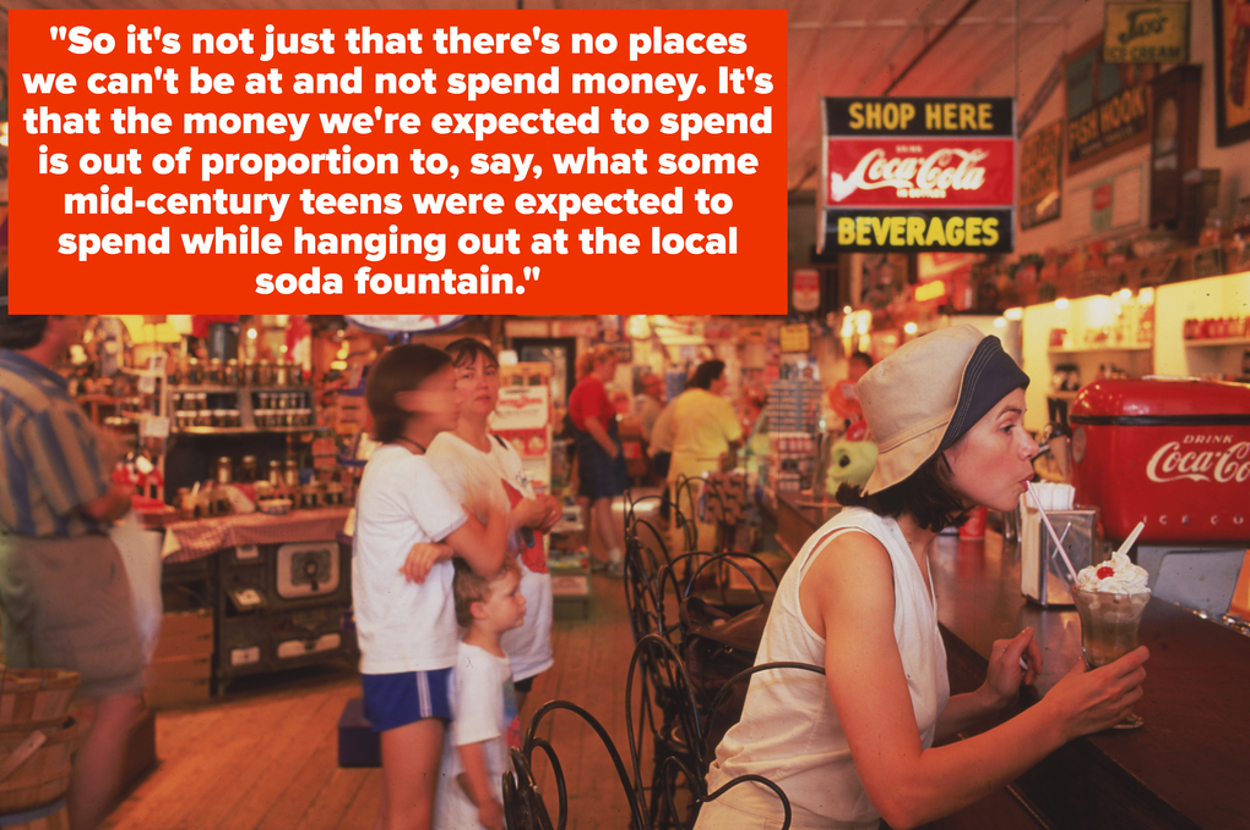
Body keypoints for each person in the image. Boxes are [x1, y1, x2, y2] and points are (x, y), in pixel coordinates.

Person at [698, 326, 1150, 830]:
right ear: (938, 446)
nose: (1029, 446)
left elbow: (882, 729)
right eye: (1007, 426)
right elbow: (904, 793)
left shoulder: (907, 547)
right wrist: (1060, 717)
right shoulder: (858, 558)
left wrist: (986, 700)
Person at [0, 280, 144, 830]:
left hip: (15, 556)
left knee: (38, 707)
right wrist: (121, 495)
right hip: (66, 568)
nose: (85, 319)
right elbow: (90, 501)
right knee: (116, 699)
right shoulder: (44, 402)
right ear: (50, 318)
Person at [353, 343, 511, 830]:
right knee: (413, 811)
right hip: (412, 657)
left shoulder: (391, 463)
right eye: (446, 387)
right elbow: (487, 557)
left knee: (399, 804)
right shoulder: (410, 470)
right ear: (411, 400)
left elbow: (460, 545)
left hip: (401, 655)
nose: (459, 396)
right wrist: (501, 505)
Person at [426, 338, 562, 712]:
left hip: (521, 628)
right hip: (483, 634)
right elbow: (458, 548)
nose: (483, 383)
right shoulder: (444, 454)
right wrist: (519, 517)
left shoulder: (502, 447)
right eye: (467, 374)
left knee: (507, 738)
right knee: (486, 742)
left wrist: (544, 511)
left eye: (489, 373)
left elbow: (517, 513)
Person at [433, 557, 528, 830]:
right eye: (511, 594)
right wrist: (486, 803)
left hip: (492, 790)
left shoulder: (491, 657)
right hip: (471, 810)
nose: (522, 600)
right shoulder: (478, 668)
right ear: (479, 609)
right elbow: (468, 742)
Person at [667, 360, 743, 553]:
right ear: (713, 379)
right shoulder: (719, 404)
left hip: (680, 470)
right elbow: (736, 436)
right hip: (708, 471)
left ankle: (679, 571)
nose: (725, 382)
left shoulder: (682, 399)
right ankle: (703, 572)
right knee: (706, 524)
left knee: (680, 521)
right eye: (723, 378)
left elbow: (673, 429)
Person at [567, 344, 628, 574]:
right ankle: (615, 558)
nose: (615, 370)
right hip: (597, 452)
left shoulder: (585, 385)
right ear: (597, 364)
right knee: (603, 503)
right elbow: (592, 421)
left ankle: (585, 555)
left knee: (586, 502)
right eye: (612, 365)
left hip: (588, 451)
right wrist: (612, 449)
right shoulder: (592, 385)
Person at [828, 350, 873, 430]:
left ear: (869, 367)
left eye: (856, 365)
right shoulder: (843, 388)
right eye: (850, 365)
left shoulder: (876, 390)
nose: (851, 370)